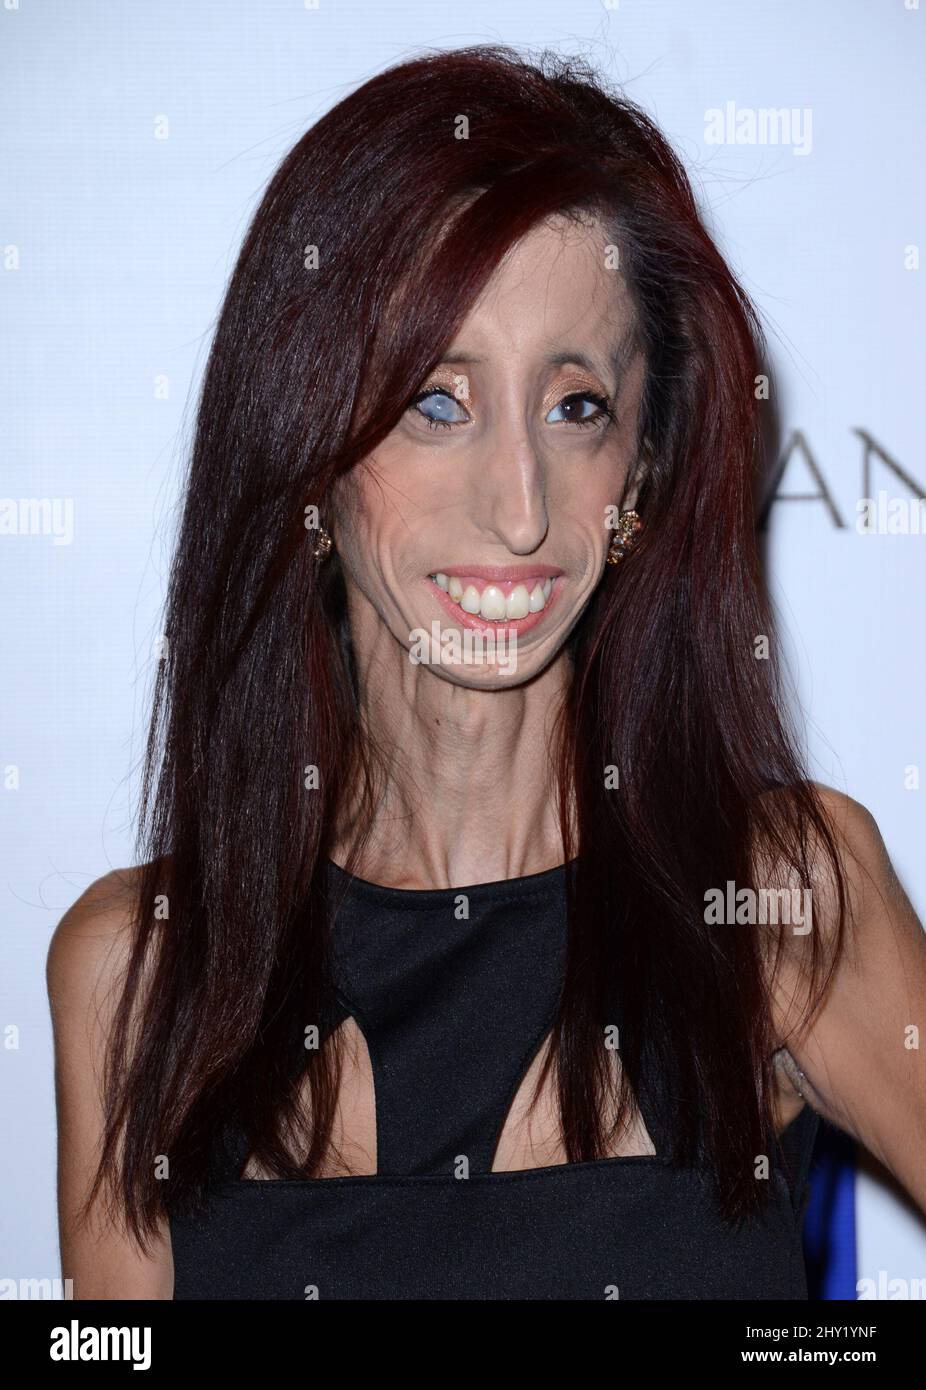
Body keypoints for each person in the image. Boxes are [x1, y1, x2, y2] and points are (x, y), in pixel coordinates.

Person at [47, 44, 926, 1300]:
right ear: (306, 447)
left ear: (644, 466)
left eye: (575, 407)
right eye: (435, 402)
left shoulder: (781, 906)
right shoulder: (135, 977)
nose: (520, 510)